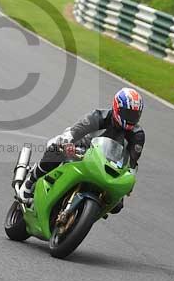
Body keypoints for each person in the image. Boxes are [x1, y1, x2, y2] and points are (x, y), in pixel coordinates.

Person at [18, 87, 146, 207]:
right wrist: (67, 142)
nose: (131, 118)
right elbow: (76, 130)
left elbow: (132, 163)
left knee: (117, 205)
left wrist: (129, 183)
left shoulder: (137, 135)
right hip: (81, 150)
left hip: (107, 165)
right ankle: (30, 181)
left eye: (135, 115)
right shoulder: (99, 116)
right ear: (117, 107)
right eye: (127, 113)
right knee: (56, 147)